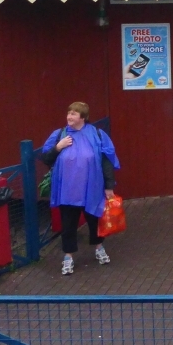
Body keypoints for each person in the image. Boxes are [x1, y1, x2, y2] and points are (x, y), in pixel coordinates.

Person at [39, 102, 120, 275]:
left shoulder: (97, 134)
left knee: (94, 219)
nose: (69, 116)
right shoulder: (59, 135)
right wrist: (58, 147)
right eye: (68, 113)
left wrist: (109, 186)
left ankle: (99, 247)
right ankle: (68, 257)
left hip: (92, 188)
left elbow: (106, 161)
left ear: (83, 117)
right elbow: (46, 158)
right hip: (67, 190)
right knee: (68, 224)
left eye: (74, 114)